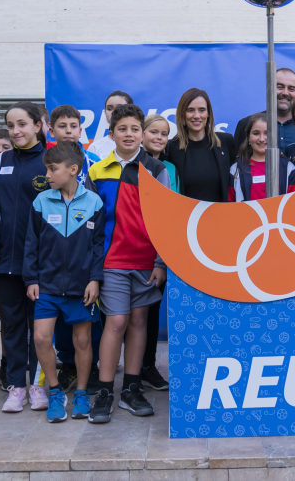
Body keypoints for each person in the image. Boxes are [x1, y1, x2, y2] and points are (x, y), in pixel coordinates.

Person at [87, 104, 173, 423]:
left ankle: (131, 389)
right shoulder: (96, 172)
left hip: (146, 263)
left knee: (139, 323)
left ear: (142, 134)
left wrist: (160, 262)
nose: (129, 134)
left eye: (135, 129)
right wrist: (93, 270)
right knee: (117, 322)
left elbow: (165, 220)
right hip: (112, 263)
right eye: (122, 128)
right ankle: (106, 391)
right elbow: (90, 225)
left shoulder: (156, 169)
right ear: (111, 134)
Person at [24, 141, 106, 422]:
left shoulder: (94, 203)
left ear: (73, 170)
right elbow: (30, 244)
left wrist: (95, 280)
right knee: (41, 337)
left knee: (83, 340)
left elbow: (98, 248)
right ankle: (56, 391)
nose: (47, 174)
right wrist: (31, 279)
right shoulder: (41, 201)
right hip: (46, 286)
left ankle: (81, 393)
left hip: (80, 288)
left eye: (52, 169)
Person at [0, 101, 50, 413]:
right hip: (5, 261)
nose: (16, 131)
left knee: (39, 328)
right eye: (11, 125)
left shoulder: (49, 160)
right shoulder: (1, 159)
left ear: (38, 126)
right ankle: (16, 386)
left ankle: (38, 385)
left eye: (22, 124)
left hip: (40, 263)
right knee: (13, 325)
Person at [138, 113, 178, 391]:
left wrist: (163, 258)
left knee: (151, 312)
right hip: (133, 249)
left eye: (164, 134)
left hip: (159, 252)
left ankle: (147, 366)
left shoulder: (170, 168)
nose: (158, 138)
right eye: (153, 132)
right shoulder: (133, 164)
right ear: (141, 134)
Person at [164, 88, 237, 203]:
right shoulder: (170, 148)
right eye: (190, 110)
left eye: (202, 110)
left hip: (221, 217)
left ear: (208, 113)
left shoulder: (226, 142)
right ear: (182, 113)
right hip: (186, 219)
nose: (197, 115)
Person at [229, 111, 295, 202]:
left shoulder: (288, 168)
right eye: (256, 133)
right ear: (248, 137)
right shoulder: (235, 170)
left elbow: (294, 203)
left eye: (267, 133)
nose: (262, 139)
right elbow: (229, 206)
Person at [235, 67, 295, 155]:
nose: (285, 93)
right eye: (279, 87)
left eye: (291, 89)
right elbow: (237, 161)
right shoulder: (246, 124)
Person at [86, 91, 134, 160]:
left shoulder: (140, 146)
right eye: (109, 109)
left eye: (120, 108)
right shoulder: (95, 148)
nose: (114, 112)